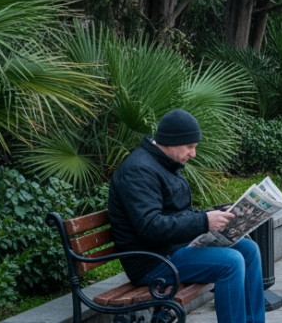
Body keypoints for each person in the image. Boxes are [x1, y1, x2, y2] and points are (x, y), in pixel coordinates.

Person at [109, 110, 266, 323]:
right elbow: (151, 227)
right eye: (190, 147)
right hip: (152, 262)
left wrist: (221, 212)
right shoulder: (138, 171)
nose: (193, 154)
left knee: (248, 250)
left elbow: (177, 212)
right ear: (172, 142)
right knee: (230, 262)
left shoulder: (164, 165)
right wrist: (204, 221)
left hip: (174, 250)